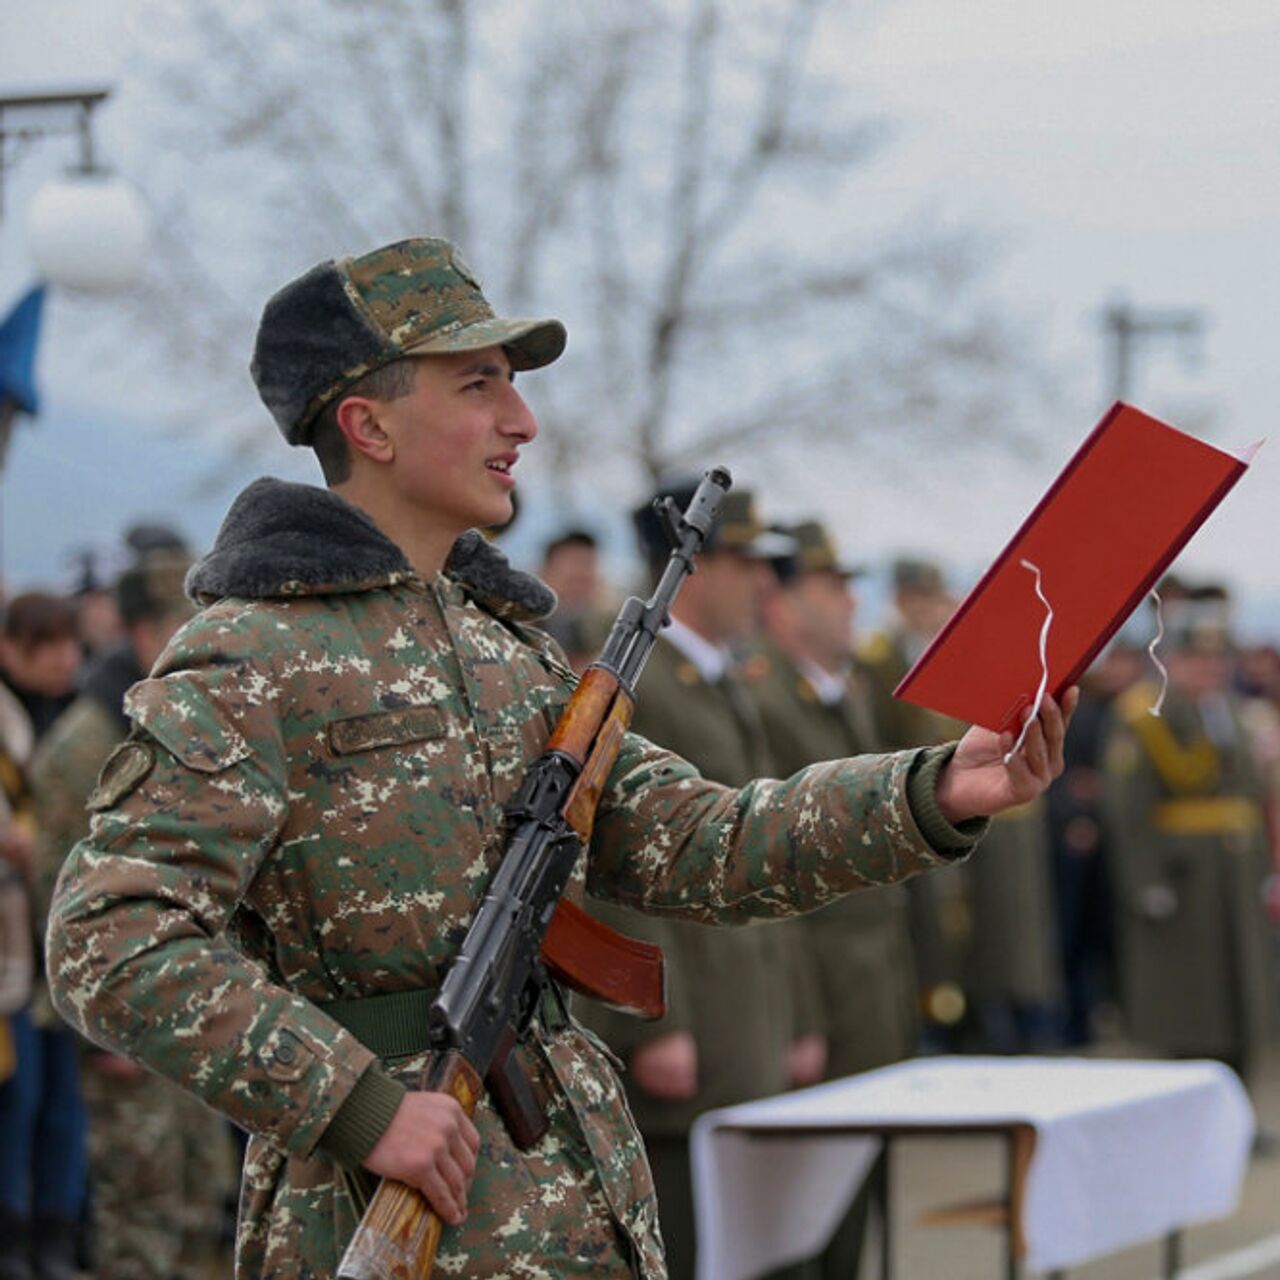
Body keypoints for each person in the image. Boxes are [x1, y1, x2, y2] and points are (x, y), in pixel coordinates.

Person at [45, 236, 1073, 1279]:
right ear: (368, 422)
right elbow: (113, 937)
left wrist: (936, 786)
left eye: (514, 386)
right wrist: (356, 1104)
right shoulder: (253, 650)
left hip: (571, 1193)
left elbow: (693, 839)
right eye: (477, 384)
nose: (520, 421)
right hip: (394, 1206)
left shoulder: (508, 647)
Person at [576, 482, 798, 1278]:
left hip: (743, 1001)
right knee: (686, 1235)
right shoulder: (643, 676)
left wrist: (793, 1009)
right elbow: (607, 851)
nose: (763, 584)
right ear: (692, 569)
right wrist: (654, 1019)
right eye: (742, 562)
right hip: (690, 1009)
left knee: (747, 1237)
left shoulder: (718, 676)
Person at [32, 548, 235, 1280]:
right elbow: (62, 898)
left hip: (187, 1008)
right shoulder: (88, 741)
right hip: (124, 1026)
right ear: (149, 633)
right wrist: (104, 1023)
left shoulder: (165, 720)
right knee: (136, 1214)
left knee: (193, 1197)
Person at [744, 520, 918, 1279]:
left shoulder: (842, 693)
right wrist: (802, 1010)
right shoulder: (766, 699)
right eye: (833, 587)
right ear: (783, 605)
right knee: (807, 1197)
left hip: (873, 978)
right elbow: (765, 874)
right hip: (816, 984)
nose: (853, 602)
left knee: (861, 1177)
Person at [1101, 585, 1274, 1080]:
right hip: (1183, 877)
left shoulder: (1230, 713)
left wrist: (1263, 868)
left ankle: (1235, 1106)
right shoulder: (1146, 714)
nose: (1209, 669)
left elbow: (1248, 798)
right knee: (1191, 1006)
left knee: (1239, 997)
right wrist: (1145, 882)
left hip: (1234, 877)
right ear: (1171, 660)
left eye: (1217, 659)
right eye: (1197, 658)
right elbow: (1128, 808)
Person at [0, 593, 85, 1280]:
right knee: (19, 1098)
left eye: (70, 644)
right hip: (13, 951)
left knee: (63, 1101)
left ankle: (54, 1236)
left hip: (56, 939)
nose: (66, 659)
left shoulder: (75, 713)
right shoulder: (14, 720)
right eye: (48, 645)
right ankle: (17, 1239)